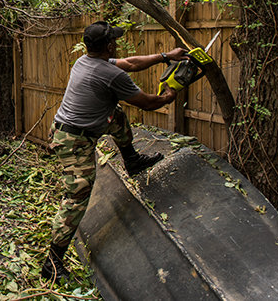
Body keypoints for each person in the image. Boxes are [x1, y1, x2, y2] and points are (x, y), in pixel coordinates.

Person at [41, 21, 187, 282]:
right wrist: (168, 96)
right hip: (74, 141)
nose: (117, 44)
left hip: (66, 128)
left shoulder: (85, 62)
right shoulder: (109, 75)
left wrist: (165, 57)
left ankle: (131, 161)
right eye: (114, 41)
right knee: (77, 197)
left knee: (116, 115)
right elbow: (147, 103)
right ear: (109, 45)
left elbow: (131, 63)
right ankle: (52, 262)